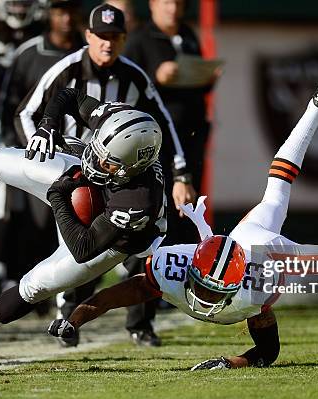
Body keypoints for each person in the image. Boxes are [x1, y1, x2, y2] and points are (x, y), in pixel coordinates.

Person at [43, 81, 318, 369]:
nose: (203, 298)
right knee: (275, 192)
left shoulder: (255, 289)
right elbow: (112, 296)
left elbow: (268, 352)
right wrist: (76, 316)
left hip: (268, 255)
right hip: (240, 241)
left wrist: (232, 362)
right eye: (204, 288)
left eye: (211, 293)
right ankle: (316, 108)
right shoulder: (174, 270)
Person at [0, 86, 166, 362]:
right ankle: (75, 156)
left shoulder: (138, 200)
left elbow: (83, 248)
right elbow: (68, 94)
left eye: (107, 163)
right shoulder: (117, 121)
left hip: (107, 240)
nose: (96, 162)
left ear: (130, 168)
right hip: (87, 187)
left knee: (35, 286)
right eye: (96, 150)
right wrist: (48, 126)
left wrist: (58, 197)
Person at [15, 3, 195, 345]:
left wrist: (181, 173)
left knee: (142, 247)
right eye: (101, 36)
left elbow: (162, 124)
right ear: (88, 36)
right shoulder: (66, 70)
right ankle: (67, 316)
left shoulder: (133, 76)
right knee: (83, 250)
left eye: (114, 36)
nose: (107, 43)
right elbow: (25, 112)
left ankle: (140, 325)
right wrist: (38, 157)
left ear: (125, 39)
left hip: (124, 177)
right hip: (77, 175)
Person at [120, 0, 218, 346]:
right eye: (165, 1)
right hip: (152, 144)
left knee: (182, 218)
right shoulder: (139, 41)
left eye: (177, 2)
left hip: (185, 142)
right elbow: (138, 94)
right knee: (148, 221)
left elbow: (197, 92)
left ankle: (167, 292)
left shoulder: (188, 36)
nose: (173, 8)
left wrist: (206, 78)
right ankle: (73, 302)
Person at [0, 0, 85, 302]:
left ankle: (67, 290)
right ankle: (23, 281)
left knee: (75, 220)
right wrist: (33, 150)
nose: (65, 18)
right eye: (59, 11)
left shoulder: (88, 52)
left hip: (85, 154)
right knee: (28, 217)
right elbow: (13, 105)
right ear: (49, 14)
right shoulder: (29, 53)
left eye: (70, 11)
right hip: (39, 150)